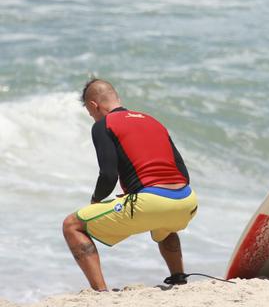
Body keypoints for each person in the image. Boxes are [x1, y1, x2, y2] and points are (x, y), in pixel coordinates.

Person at [62, 79, 198, 290]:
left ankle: (100, 292)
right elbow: (183, 172)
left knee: (72, 225)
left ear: (93, 105)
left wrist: (95, 202)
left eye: (91, 114)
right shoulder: (153, 121)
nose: (93, 117)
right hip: (187, 201)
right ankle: (179, 278)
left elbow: (108, 175)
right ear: (118, 98)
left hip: (150, 203)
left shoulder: (103, 125)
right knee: (165, 226)